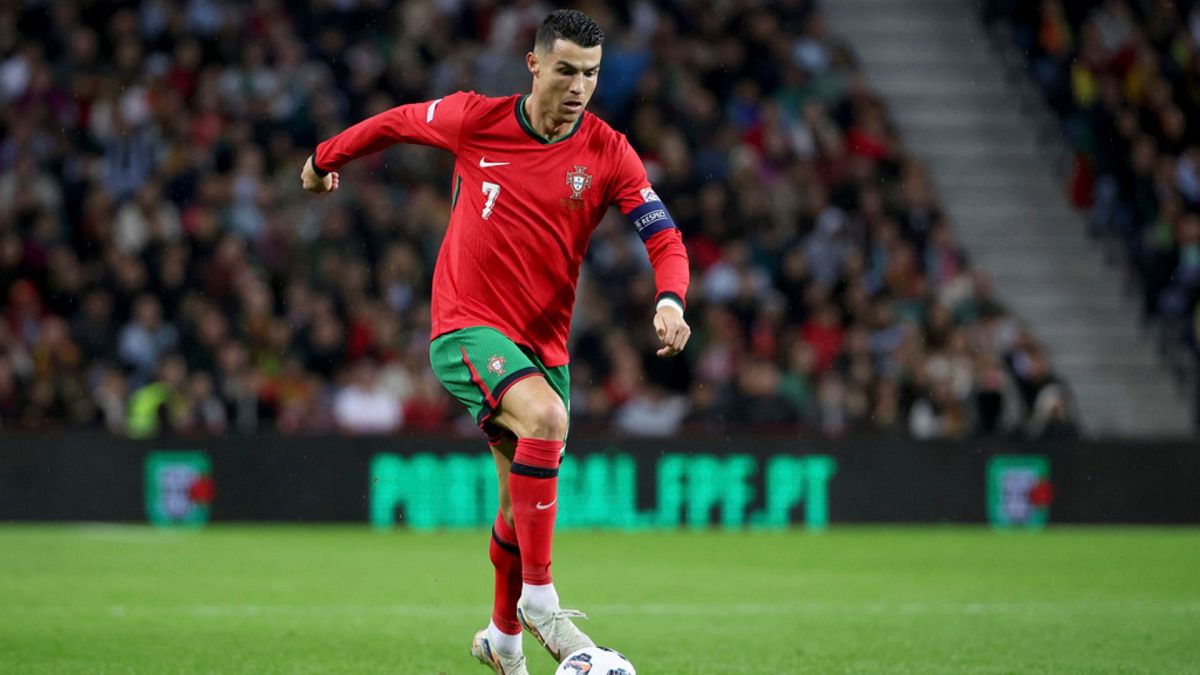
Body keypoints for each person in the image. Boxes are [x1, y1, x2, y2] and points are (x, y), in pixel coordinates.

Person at [300, 10, 691, 675]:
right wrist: (321, 160)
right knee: (546, 418)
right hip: (466, 326)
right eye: (565, 70)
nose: (578, 87)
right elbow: (395, 122)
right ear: (534, 65)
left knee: (516, 505)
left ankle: (503, 642)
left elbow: (663, 234)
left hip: (544, 348)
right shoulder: (475, 119)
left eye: (591, 74)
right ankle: (541, 601)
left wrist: (671, 299)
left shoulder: (608, 151)